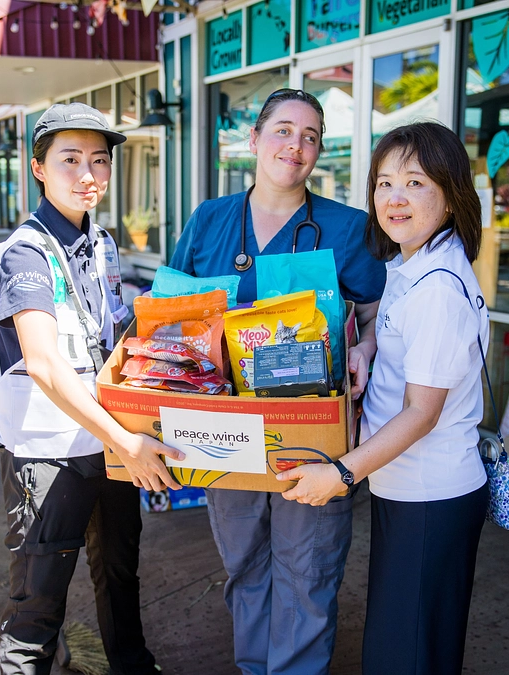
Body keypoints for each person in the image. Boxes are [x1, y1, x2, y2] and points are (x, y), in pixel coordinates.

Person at [170, 88, 385, 675]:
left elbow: (375, 316)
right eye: (285, 130)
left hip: (310, 431)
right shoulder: (209, 219)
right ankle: (252, 665)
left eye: (311, 136)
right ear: (255, 139)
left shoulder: (347, 227)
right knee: (243, 561)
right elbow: (173, 316)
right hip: (225, 431)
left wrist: (365, 345)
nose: (297, 146)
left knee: (307, 568)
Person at [277, 122, 489, 674]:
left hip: (429, 493)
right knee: (407, 644)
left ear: (450, 195)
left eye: (416, 182)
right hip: (408, 488)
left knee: (406, 653)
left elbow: (422, 412)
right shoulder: (412, 262)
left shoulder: (439, 287)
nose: (395, 198)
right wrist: (368, 350)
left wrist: (342, 474)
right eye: (384, 182)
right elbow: (399, 344)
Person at [0, 102, 182, 674]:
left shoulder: (103, 244)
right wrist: (125, 439)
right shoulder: (25, 252)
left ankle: (132, 666)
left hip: (108, 443)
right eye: (70, 159)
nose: (87, 174)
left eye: (99, 160)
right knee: (37, 608)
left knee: (120, 573)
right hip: (48, 455)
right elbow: (45, 365)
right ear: (38, 168)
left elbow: (109, 333)